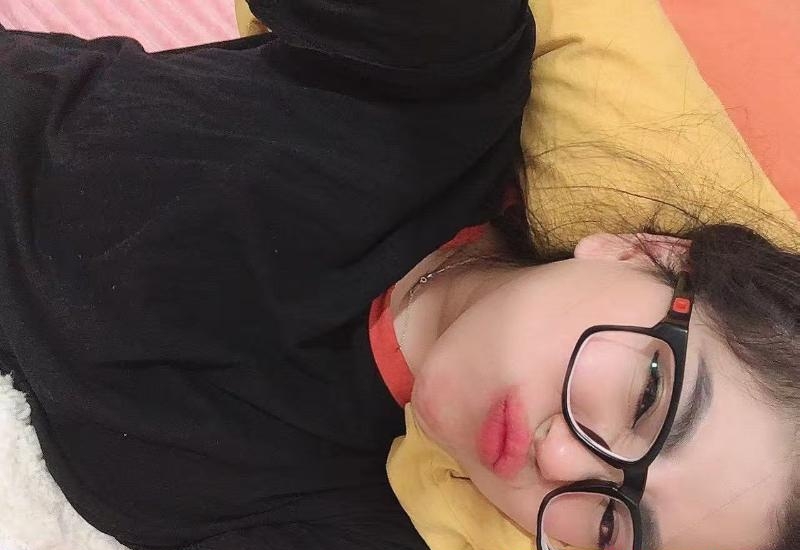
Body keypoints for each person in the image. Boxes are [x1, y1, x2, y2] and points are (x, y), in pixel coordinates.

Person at [0, 3, 797, 550]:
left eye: (613, 528)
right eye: (648, 394)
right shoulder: (443, 76)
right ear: (648, 253)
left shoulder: (353, 520)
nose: (562, 464)